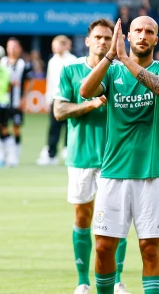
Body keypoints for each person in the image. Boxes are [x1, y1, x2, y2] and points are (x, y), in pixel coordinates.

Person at [80, 16, 159, 294]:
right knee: (103, 248)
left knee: (150, 249)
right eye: (137, 30)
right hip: (113, 174)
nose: (142, 35)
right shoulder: (113, 71)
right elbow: (85, 90)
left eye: (149, 31)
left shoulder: (157, 71)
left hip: (151, 175)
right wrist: (111, 57)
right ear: (127, 36)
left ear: (155, 40)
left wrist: (126, 60)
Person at [54, 19, 129, 294]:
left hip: (115, 158)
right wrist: (92, 104)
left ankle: (118, 280)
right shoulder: (71, 70)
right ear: (87, 41)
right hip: (82, 156)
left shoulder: (121, 71)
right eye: (97, 37)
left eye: (107, 37)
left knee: (117, 220)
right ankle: (83, 281)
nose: (102, 41)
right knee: (83, 217)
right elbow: (59, 112)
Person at [36, 35, 77, 166]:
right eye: (54, 45)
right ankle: (51, 153)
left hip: (70, 98)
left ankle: (68, 150)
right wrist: (49, 99)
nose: (55, 48)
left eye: (58, 45)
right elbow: (50, 81)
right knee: (54, 127)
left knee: (69, 126)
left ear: (65, 46)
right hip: (56, 98)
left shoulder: (73, 60)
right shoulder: (52, 61)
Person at [0, 37, 34, 166]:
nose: (12, 49)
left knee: (16, 128)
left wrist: (24, 98)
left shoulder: (24, 64)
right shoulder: (2, 62)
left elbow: (30, 81)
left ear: (19, 49)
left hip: (16, 102)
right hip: (2, 101)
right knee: (2, 127)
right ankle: (5, 155)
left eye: (14, 47)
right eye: (9, 47)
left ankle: (15, 156)